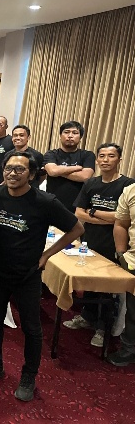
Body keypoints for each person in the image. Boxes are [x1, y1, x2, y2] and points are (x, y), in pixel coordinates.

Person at [0, 151, 83, 402]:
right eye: (8, 168)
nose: (12, 174)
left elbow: (77, 228)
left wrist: (46, 256)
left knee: (32, 328)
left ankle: (28, 375)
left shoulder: (45, 201)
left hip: (28, 274)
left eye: (19, 169)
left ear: (32, 174)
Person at [66, 143, 135, 346]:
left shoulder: (127, 185)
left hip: (114, 243)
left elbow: (122, 218)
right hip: (90, 240)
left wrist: (94, 212)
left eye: (111, 156)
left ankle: (102, 327)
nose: (105, 160)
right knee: (89, 283)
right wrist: (107, 218)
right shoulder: (91, 183)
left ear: (119, 159)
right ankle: (87, 317)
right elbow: (79, 212)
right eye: (102, 156)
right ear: (97, 160)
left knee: (107, 289)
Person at [44, 121, 95, 211]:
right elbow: (52, 171)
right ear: (60, 136)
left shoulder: (88, 155)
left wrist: (58, 171)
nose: (70, 136)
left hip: (78, 207)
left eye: (75, 133)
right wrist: (76, 168)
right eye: (66, 132)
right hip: (52, 204)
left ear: (80, 137)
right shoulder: (51, 154)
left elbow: (85, 176)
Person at [110, 183, 135, 366]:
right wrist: (121, 255)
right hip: (133, 261)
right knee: (133, 311)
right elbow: (121, 224)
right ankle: (129, 348)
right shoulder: (131, 190)